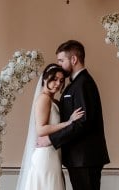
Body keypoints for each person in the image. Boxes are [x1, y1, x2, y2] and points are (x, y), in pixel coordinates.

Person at [37, 40, 110, 190]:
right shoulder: (76, 83)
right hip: (78, 158)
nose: (60, 65)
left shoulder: (84, 83)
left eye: (61, 60)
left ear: (74, 59)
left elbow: (83, 122)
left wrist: (51, 139)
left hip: (85, 158)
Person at [16, 63, 85, 190]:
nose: (58, 84)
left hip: (53, 153)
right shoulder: (44, 99)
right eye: (54, 79)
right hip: (45, 155)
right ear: (45, 79)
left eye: (61, 80)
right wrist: (69, 122)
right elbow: (41, 130)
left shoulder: (52, 100)